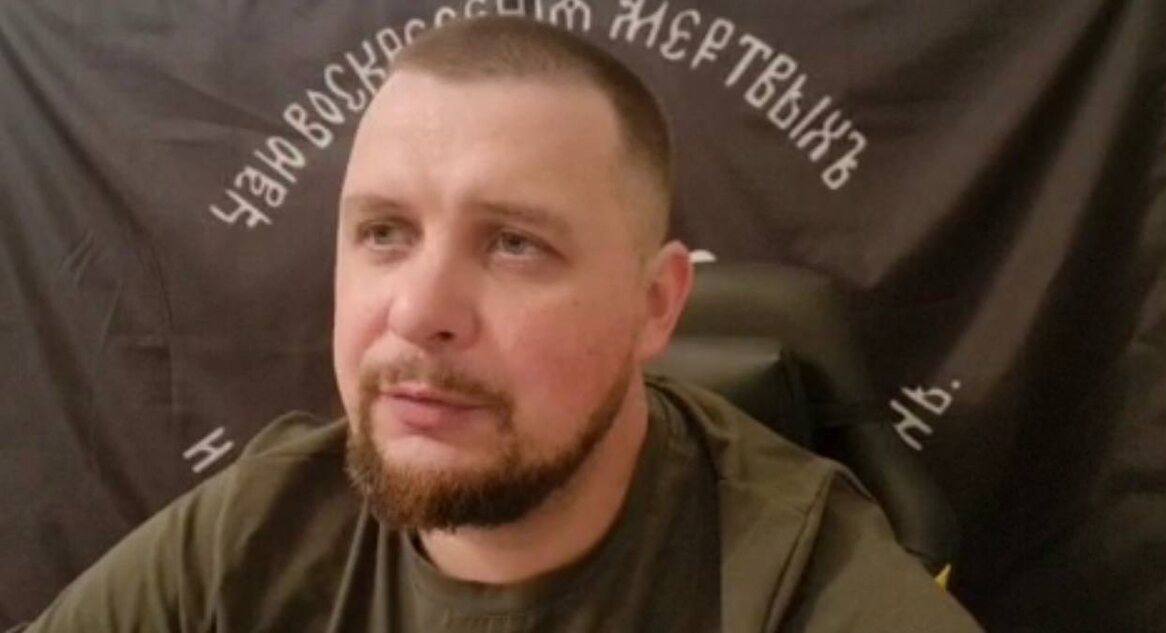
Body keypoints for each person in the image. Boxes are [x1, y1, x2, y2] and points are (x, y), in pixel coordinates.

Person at [16, 16, 982, 632]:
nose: (417, 311)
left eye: (515, 244)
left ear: (655, 305)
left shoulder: (804, 587)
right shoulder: (252, 538)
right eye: (384, 233)